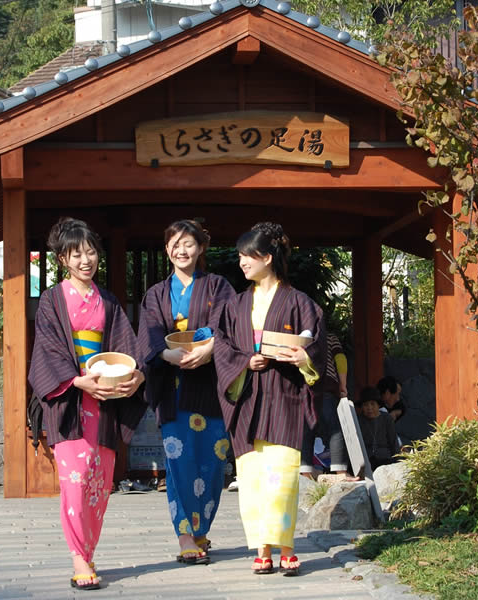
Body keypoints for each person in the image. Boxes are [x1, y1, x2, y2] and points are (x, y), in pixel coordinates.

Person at [28, 217, 146, 591]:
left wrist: (134, 375)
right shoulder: (52, 300)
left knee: (100, 482)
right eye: (76, 253)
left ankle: (89, 551)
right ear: (62, 258)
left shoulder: (108, 301)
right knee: (76, 482)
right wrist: (76, 380)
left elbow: (127, 347)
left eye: (90, 251)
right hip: (71, 401)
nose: (85, 260)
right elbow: (46, 347)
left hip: (105, 401)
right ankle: (79, 557)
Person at [214, 222, 326, 577]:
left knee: (282, 474)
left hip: (284, 394)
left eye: (248, 255)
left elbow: (318, 344)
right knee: (252, 477)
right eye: (241, 255)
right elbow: (222, 345)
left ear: (267, 257)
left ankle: (287, 546)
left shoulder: (299, 302)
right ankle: (262, 547)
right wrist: (246, 360)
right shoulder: (235, 303)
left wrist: (303, 359)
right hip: (247, 395)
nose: (242, 262)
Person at [137, 219, 235, 565]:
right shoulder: (156, 294)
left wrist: (210, 350)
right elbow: (147, 334)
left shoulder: (219, 287)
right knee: (179, 464)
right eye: (175, 244)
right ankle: (184, 535)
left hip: (210, 386)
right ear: (167, 250)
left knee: (212, 462)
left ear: (201, 248)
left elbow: (231, 327)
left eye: (189, 244)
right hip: (173, 388)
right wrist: (166, 354)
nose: (182, 250)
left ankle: (202, 530)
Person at [300, 331, 351, 479]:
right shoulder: (330, 337)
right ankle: (340, 472)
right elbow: (340, 359)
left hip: (304, 386)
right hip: (326, 385)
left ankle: (305, 472)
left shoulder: (301, 338)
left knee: (306, 429)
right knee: (334, 427)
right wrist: (343, 385)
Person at [357, 386, 400, 471]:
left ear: (378, 405)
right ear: (362, 407)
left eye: (372, 404)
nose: (369, 408)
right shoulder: (359, 420)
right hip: (365, 460)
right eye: (365, 405)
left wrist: (397, 462)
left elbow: (393, 442)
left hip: (385, 459)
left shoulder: (386, 419)